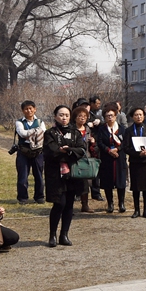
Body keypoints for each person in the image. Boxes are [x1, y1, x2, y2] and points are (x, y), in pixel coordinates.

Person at [43, 105, 86, 247]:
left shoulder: (75, 132)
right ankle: (52, 235)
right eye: (61, 115)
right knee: (59, 203)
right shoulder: (50, 133)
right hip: (56, 173)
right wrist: (67, 152)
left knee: (69, 205)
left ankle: (64, 235)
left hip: (73, 173)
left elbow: (81, 149)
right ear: (55, 116)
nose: (64, 118)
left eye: (67, 115)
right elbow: (51, 151)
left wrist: (68, 151)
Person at [123, 106, 146, 218]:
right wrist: (137, 153)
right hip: (135, 161)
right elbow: (126, 147)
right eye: (136, 115)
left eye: (141, 114)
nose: (139, 117)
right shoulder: (128, 131)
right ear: (133, 117)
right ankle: (136, 210)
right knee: (136, 187)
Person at [94, 106, 128, 214]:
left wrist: (117, 149)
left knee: (120, 181)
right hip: (107, 158)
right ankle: (110, 204)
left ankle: (121, 203)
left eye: (111, 115)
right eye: (107, 116)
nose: (110, 118)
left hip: (119, 158)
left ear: (115, 116)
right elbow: (99, 142)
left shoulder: (122, 129)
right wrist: (109, 150)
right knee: (108, 182)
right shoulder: (102, 129)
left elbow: (125, 142)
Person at [14, 100, 46, 204]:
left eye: (30, 108)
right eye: (26, 109)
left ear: (35, 109)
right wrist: (36, 131)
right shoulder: (19, 122)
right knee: (23, 176)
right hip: (23, 151)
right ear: (23, 111)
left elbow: (43, 132)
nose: (29, 111)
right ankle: (22, 198)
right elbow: (22, 133)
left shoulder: (41, 122)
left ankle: (39, 197)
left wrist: (30, 133)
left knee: (39, 175)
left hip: (38, 151)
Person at [72, 106, 98, 213]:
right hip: (74, 158)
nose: (82, 118)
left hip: (86, 157)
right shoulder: (71, 130)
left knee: (85, 182)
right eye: (80, 116)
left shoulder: (88, 129)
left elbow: (94, 146)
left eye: (84, 116)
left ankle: (85, 205)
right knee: (73, 182)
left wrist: (93, 142)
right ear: (75, 118)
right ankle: (70, 206)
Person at [86, 96, 104, 201]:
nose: (98, 105)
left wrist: (98, 123)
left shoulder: (96, 115)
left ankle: (96, 192)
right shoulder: (78, 117)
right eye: (96, 103)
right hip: (83, 146)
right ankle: (81, 194)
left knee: (95, 170)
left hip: (94, 145)